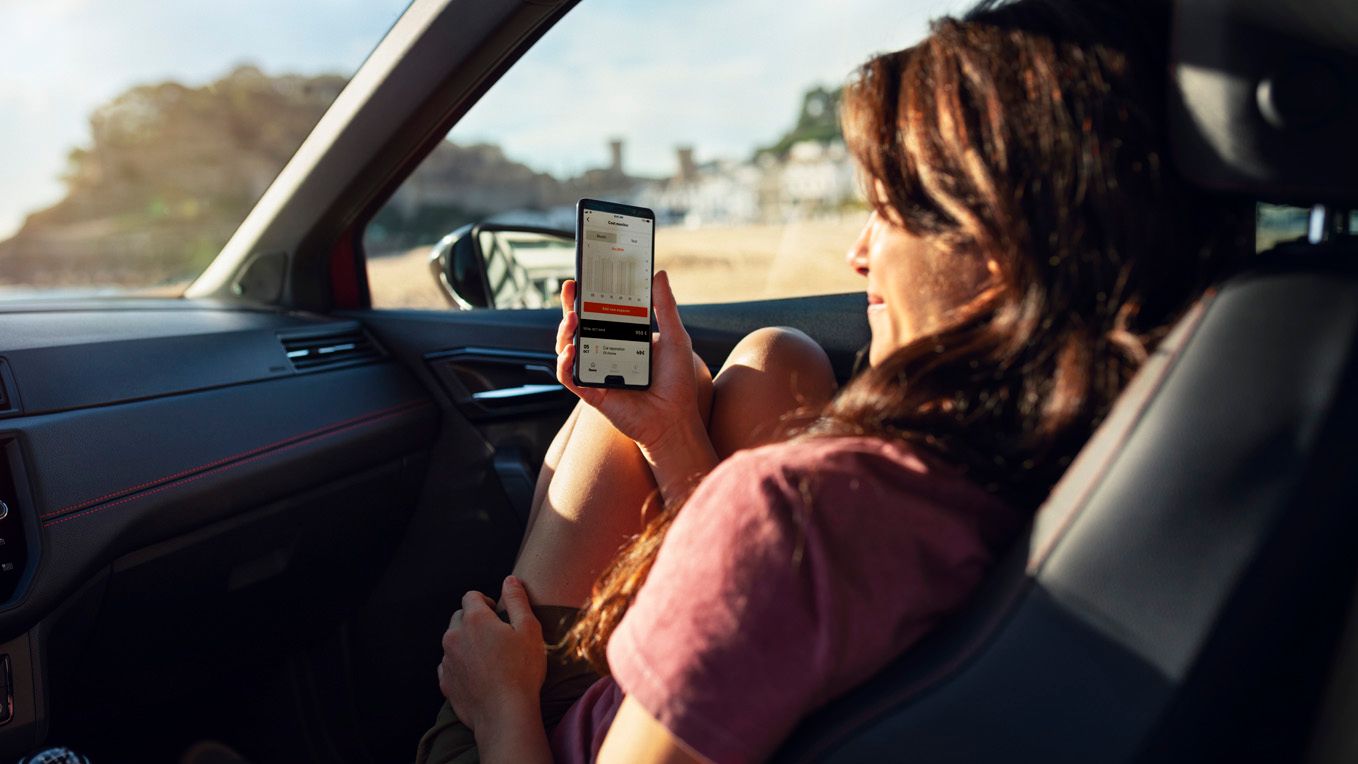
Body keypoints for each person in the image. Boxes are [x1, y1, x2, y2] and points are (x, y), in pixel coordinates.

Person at [418, 0, 1249, 761]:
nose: (858, 255)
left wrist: (501, 705)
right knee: (775, 358)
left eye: (886, 211)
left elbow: (778, 558)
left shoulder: (791, 516)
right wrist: (672, 432)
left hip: (532, 739)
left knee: (612, 428)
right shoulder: (1104, 450)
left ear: (996, 260)